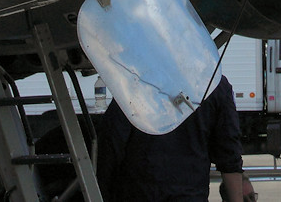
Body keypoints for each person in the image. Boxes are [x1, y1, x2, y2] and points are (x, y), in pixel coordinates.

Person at [98, 75, 254, 201]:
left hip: (139, 193)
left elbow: (110, 147)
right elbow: (230, 159)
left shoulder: (137, 81)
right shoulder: (215, 85)